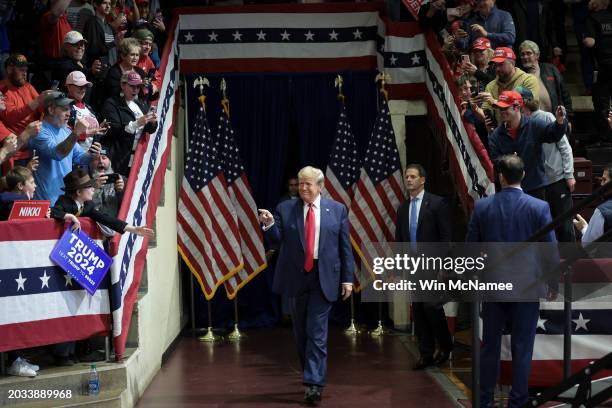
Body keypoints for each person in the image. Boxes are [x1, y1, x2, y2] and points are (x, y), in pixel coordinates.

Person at [466, 154, 557, 408]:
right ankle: (518, 402)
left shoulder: (483, 207)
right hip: (527, 287)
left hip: (493, 286)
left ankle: (484, 401)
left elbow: (470, 251)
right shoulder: (539, 207)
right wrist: (553, 284)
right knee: (522, 347)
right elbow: (550, 251)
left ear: (500, 177)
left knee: (490, 347)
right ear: (523, 176)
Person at [258, 166, 353, 405]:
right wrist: (269, 224)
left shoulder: (337, 210)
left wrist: (347, 278)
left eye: (308, 184)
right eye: (301, 183)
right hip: (296, 278)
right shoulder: (285, 208)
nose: (303, 188)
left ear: (320, 186)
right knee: (301, 333)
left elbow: (345, 248)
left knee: (317, 333)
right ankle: (310, 374)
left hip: (324, 278)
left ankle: (314, 384)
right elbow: (277, 241)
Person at [395, 164, 453, 370]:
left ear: (423, 180)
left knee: (431, 307)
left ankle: (445, 345)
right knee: (418, 311)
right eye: (406, 177)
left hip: (433, 267)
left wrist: (444, 266)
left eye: (412, 176)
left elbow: (446, 237)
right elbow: (400, 240)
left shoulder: (437, 203)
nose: (408, 180)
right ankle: (425, 354)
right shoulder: (403, 208)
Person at [515, 86, 575, 242]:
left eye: (516, 101)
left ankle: (571, 263)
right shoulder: (519, 124)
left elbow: (565, 148)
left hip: (557, 180)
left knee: (564, 225)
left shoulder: (546, 117)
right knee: (542, 227)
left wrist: (569, 175)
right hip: (536, 184)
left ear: (525, 101)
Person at [488, 90, 568, 199]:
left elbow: (553, 134)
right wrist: (509, 162)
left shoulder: (534, 125)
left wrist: (559, 121)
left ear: (517, 107)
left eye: (505, 108)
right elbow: (495, 160)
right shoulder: (496, 135)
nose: (502, 112)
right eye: (500, 109)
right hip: (510, 190)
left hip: (535, 188)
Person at [29, 91, 101, 204]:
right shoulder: (39, 130)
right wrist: (76, 133)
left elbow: (80, 158)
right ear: (51, 110)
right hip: (45, 201)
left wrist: (93, 155)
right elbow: (58, 154)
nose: (69, 113)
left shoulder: (66, 131)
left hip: (65, 200)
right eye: (64, 109)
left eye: (69, 109)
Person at [51, 167, 152, 236]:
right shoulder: (64, 201)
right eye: (90, 187)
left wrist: (133, 229)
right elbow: (53, 211)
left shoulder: (87, 205)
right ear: (78, 192)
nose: (93, 189)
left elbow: (105, 219)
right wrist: (71, 216)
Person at [101, 71, 157, 177]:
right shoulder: (112, 103)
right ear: (122, 85)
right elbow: (114, 129)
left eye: (138, 86)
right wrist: (137, 123)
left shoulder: (141, 104)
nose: (135, 90)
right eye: (132, 86)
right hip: (118, 157)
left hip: (137, 158)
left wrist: (153, 122)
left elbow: (150, 130)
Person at [479, 47, 539, 124]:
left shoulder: (528, 80)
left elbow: (531, 107)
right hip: (503, 133)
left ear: (512, 63)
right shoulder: (490, 86)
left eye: (501, 64)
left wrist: (495, 102)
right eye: (495, 65)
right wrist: (476, 109)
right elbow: (486, 118)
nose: (497, 69)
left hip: (527, 129)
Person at [519, 40, 573, 118]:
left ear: (537, 55)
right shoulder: (519, 75)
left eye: (528, 53)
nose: (525, 57)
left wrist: (569, 117)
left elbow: (565, 94)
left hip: (556, 120)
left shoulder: (550, 69)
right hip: (531, 122)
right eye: (522, 54)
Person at [583, 0, 612, 143]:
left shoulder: (593, 18)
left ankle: (606, 135)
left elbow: (590, 42)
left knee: (601, 101)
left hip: (603, 67)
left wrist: (585, 39)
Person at [51, 31, 102, 98]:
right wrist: (91, 71)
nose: (80, 47)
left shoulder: (82, 64)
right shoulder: (63, 64)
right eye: (75, 44)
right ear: (66, 47)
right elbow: (73, 73)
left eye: (82, 44)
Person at [574, 163, 612, 242]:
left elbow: (588, 244)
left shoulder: (601, 212)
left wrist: (583, 228)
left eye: (604, 180)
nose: (601, 184)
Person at [65, 70, 101, 150]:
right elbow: (63, 135)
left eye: (85, 86)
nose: (83, 89)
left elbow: (93, 136)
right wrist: (86, 134)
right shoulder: (64, 108)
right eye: (79, 86)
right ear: (68, 86)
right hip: (72, 156)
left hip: (88, 157)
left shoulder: (88, 108)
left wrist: (99, 130)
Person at [103, 37, 147, 102]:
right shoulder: (114, 72)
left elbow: (143, 96)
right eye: (132, 55)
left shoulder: (141, 72)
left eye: (137, 55)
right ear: (123, 56)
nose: (135, 58)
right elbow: (114, 95)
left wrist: (149, 88)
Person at [89, 146, 124, 216]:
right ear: (91, 163)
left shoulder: (121, 179)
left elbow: (129, 204)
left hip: (113, 222)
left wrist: (121, 191)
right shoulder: (84, 181)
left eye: (104, 158)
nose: (101, 161)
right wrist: (94, 188)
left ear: (110, 161)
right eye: (96, 159)